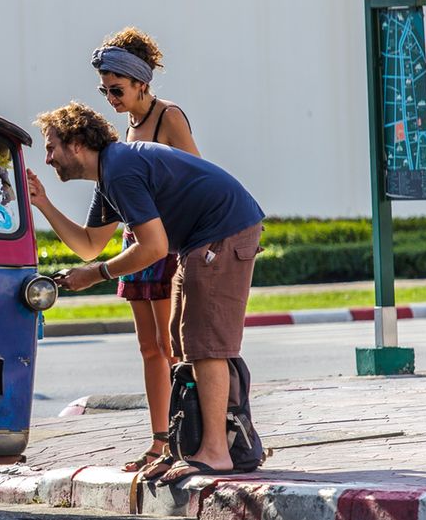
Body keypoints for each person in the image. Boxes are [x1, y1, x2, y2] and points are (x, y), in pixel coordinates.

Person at [28, 102, 264, 484]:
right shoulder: (110, 173)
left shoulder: (120, 170)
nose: (48, 157)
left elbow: (152, 248)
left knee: (206, 344)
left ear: (75, 144)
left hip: (223, 232)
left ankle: (217, 452)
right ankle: (188, 446)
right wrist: (42, 203)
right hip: (199, 241)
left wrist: (97, 274)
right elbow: (89, 245)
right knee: (181, 341)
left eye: (51, 146)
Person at [92, 27, 200, 475]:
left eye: (116, 88)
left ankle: (183, 439)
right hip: (137, 244)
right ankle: (159, 442)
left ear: (140, 82)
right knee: (150, 348)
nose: (110, 97)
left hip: (167, 245)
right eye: (104, 89)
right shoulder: (128, 127)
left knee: (174, 344)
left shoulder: (168, 117)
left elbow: (197, 177)